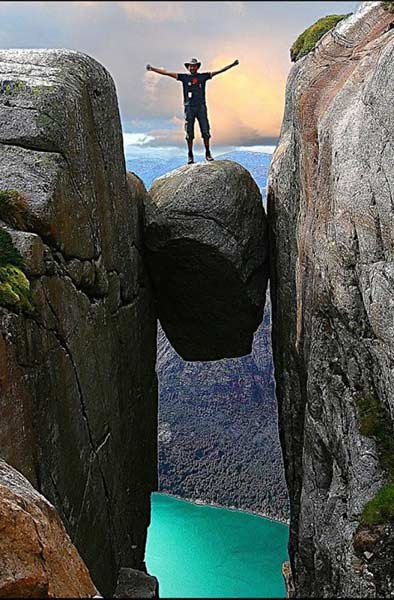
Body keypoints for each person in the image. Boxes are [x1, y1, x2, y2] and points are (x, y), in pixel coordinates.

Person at [146, 58, 239, 164]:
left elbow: (220, 71)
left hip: (201, 107)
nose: (192, 67)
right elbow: (167, 73)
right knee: (189, 133)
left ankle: (208, 153)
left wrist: (232, 64)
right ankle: (190, 155)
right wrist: (152, 69)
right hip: (189, 107)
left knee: (205, 131)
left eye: (194, 66)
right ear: (188, 67)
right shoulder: (184, 77)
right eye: (190, 66)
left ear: (197, 67)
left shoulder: (203, 76)